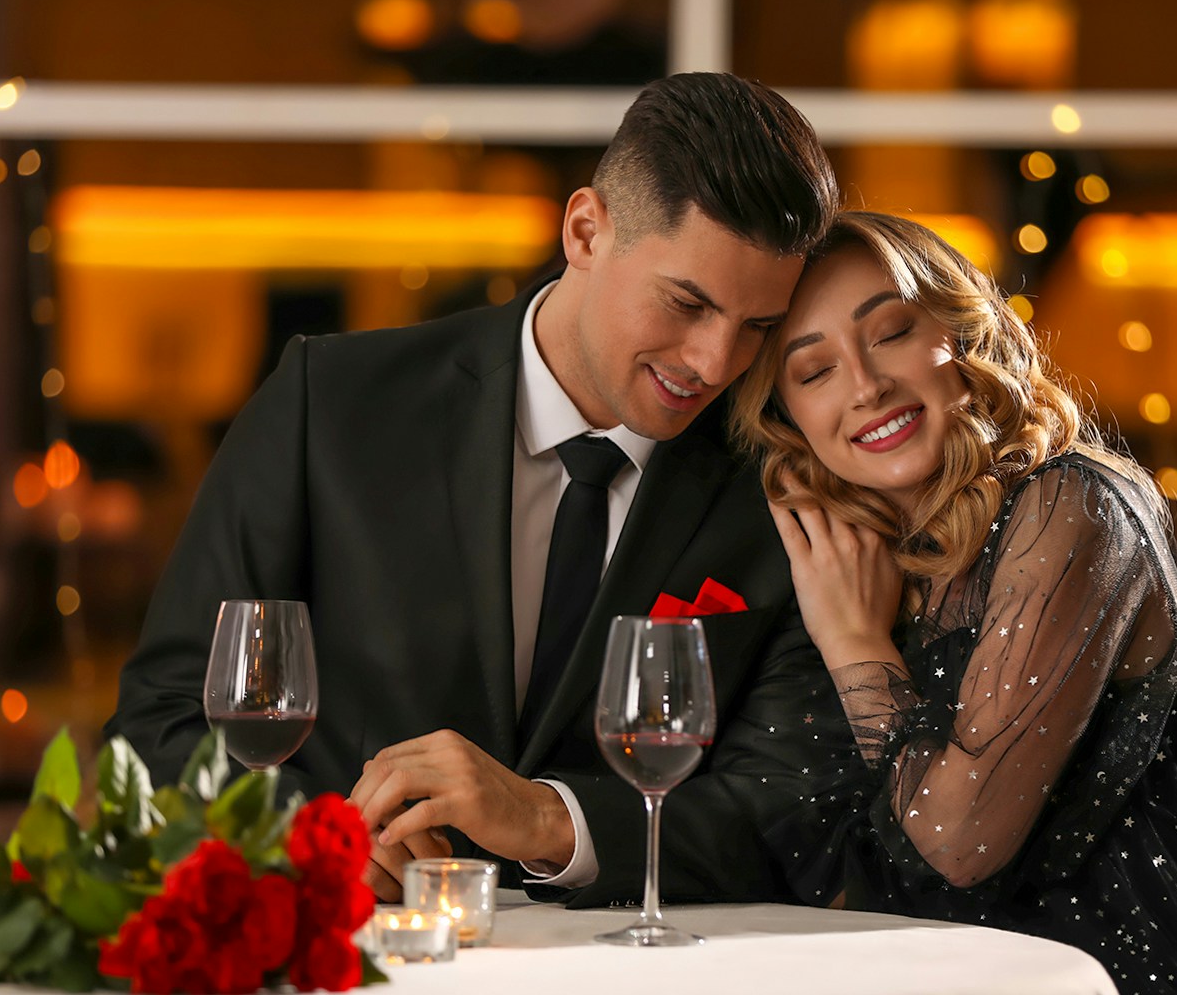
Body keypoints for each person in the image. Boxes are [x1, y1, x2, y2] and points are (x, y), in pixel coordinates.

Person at [106, 72, 859, 909]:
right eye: (686, 303)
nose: (715, 363)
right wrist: (305, 839)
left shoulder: (776, 485)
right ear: (585, 230)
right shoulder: (331, 403)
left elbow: (782, 815)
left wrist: (550, 820)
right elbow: (156, 727)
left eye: (756, 326)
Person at [731, 211, 1177, 994]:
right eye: (814, 372)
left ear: (959, 334)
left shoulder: (1075, 508)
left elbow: (954, 844)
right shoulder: (871, 569)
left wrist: (853, 644)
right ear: (791, 422)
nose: (866, 385)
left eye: (890, 332)